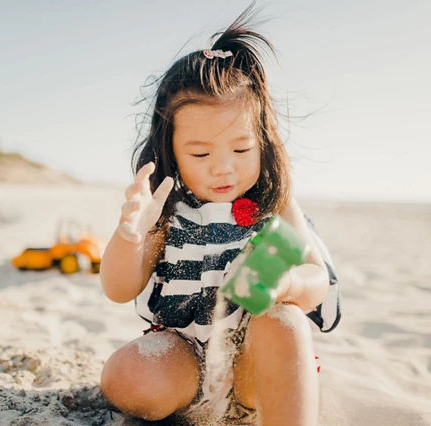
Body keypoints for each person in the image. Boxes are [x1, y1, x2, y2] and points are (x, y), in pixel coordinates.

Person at [99, 7, 340, 425]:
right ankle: (192, 407)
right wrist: (129, 236)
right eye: (200, 153)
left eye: (241, 150)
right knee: (128, 376)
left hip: (256, 361)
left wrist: (289, 281)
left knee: (283, 322)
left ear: (263, 141)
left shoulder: (274, 203)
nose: (223, 167)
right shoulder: (168, 209)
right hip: (187, 353)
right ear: (169, 149)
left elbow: (316, 280)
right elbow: (119, 288)